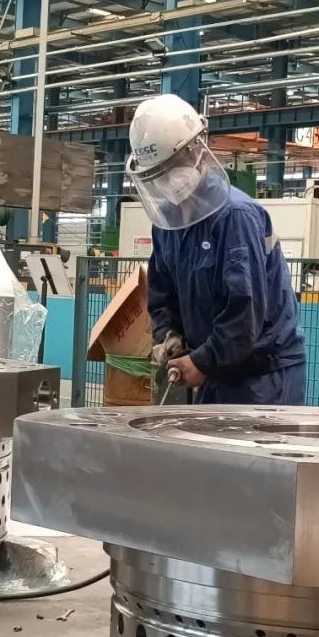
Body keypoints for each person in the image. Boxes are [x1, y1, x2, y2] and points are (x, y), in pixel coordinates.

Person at [127, 94, 306, 405]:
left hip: (263, 375)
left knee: (251, 440)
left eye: (173, 166)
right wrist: (169, 334)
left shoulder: (236, 216)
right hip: (214, 369)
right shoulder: (168, 223)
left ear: (198, 151)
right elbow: (162, 292)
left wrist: (203, 360)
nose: (169, 180)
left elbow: (243, 310)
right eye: (158, 173)